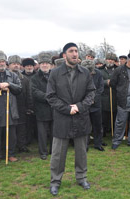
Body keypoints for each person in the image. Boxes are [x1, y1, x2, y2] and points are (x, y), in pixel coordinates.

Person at [46, 42, 95, 196]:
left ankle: (81, 178)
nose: (75, 54)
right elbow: (51, 96)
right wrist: (68, 109)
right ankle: (55, 181)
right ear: (64, 55)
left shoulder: (85, 72)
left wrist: (79, 106)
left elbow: (91, 93)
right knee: (58, 154)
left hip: (81, 118)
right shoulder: (55, 73)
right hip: (62, 119)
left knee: (81, 152)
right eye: (71, 51)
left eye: (76, 51)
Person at [110, 50, 130, 149]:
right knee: (120, 122)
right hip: (123, 101)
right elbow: (113, 83)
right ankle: (116, 141)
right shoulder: (119, 70)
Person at [8, 55, 33, 153]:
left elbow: (28, 94)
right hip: (9, 106)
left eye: (18, 64)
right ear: (9, 65)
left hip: (22, 106)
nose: (16, 66)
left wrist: (29, 107)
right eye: (14, 64)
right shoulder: (5, 78)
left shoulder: (25, 79)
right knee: (11, 128)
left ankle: (22, 145)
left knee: (22, 128)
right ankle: (11, 147)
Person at [31, 52, 53, 160]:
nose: (45, 65)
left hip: (55, 109)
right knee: (42, 133)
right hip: (41, 109)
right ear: (39, 65)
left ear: (50, 64)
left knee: (55, 132)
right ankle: (43, 152)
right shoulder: (35, 78)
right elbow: (34, 92)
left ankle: (53, 150)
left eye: (47, 63)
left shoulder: (55, 76)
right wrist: (48, 97)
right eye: (42, 63)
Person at [81, 60, 105, 151]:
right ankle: (85, 145)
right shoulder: (79, 74)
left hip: (96, 103)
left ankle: (98, 143)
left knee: (98, 125)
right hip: (84, 104)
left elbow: (100, 87)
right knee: (85, 126)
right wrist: (86, 100)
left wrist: (93, 99)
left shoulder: (98, 73)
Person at [100, 53, 117, 136]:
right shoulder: (100, 70)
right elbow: (97, 82)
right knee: (104, 116)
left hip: (115, 96)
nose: (110, 61)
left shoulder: (118, 69)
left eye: (112, 60)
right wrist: (106, 82)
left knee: (114, 115)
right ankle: (103, 132)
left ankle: (113, 131)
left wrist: (114, 82)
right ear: (105, 60)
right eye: (108, 59)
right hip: (104, 97)